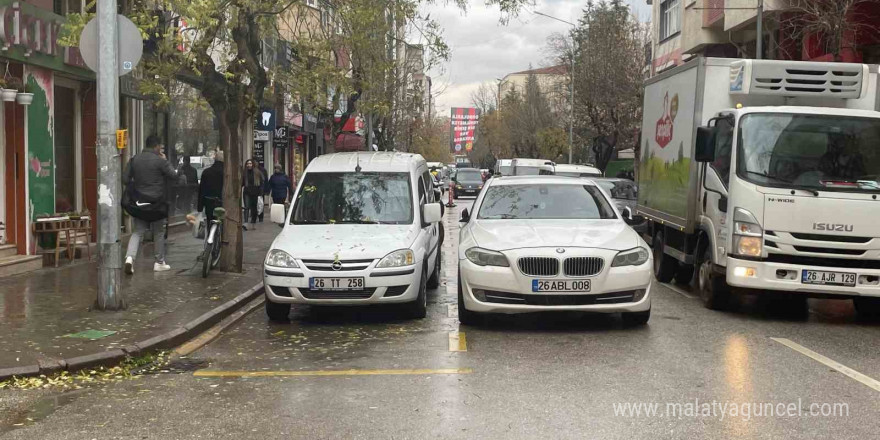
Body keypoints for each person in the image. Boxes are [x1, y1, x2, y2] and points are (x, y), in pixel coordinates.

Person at [123, 135, 177, 274]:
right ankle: (159, 263)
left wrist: (137, 186)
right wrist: (165, 161)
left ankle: (129, 258)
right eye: (161, 146)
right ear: (157, 146)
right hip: (157, 204)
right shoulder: (160, 161)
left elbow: (125, 179)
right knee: (158, 232)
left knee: (137, 232)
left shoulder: (135, 159)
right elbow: (173, 175)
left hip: (140, 203)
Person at [198, 150, 224, 226]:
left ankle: (211, 236)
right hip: (222, 202)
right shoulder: (226, 172)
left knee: (210, 222)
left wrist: (200, 207)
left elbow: (201, 190)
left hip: (209, 202)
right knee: (222, 224)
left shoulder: (206, 172)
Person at [242, 159, 264, 230]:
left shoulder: (258, 173)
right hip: (247, 192)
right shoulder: (244, 173)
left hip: (256, 193)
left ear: (253, 165)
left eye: (250, 163)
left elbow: (261, 183)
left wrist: (261, 193)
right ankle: (245, 223)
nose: (249, 165)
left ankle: (253, 222)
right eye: (247, 164)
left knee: (254, 208)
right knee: (246, 207)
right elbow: (242, 183)